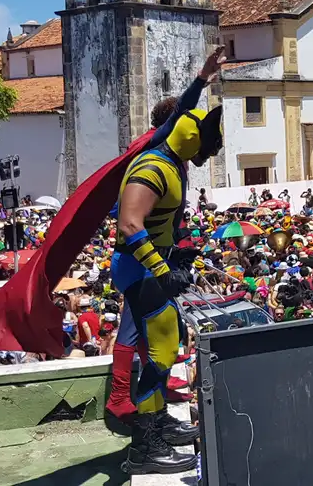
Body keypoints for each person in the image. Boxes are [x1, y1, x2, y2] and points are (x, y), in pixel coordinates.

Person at [112, 102, 224, 474]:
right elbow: (130, 224)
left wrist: (176, 251)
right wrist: (162, 270)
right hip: (142, 270)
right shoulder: (154, 167)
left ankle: (158, 421)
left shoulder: (171, 163)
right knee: (159, 351)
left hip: (152, 266)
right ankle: (145, 448)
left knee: (166, 341)